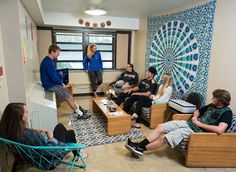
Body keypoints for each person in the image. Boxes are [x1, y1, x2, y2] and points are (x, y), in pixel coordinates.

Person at [125, 89, 233, 156]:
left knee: (165, 137)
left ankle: (140, 148)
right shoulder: (211, 105)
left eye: (214, 97)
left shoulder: (227, 113)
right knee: (160, 126)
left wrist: (199, 123)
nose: (212, 98)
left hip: (198, 132)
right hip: (190, 124)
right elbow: (197, 111)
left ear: (221, 100)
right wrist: (195, 117)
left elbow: (220, 130)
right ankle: (139, 145)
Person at [0, 103, 87, 170]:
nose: (28, 113)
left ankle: (77, 153)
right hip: (48, 160)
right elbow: (48, 151)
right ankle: (77, 153)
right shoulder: (31, 135)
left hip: (31, 158)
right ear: (19, 117)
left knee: (61, 128)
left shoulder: (9, 132)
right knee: (68, 132)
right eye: (26, 112)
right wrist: (51, 138)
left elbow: (29, 139)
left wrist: (33, 131)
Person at [40, 44, 90, 119]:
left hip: (51, 83)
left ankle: (78, 108)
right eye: (57, 53)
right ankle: (80, 114)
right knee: (68, 97)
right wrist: (60, 83)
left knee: (69, 93)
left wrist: (61, 82)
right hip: (50, 85)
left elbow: (53, 75)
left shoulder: (47, 60)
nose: (59, 55)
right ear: (52, 52)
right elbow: (53, 77)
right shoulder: (49, 62)